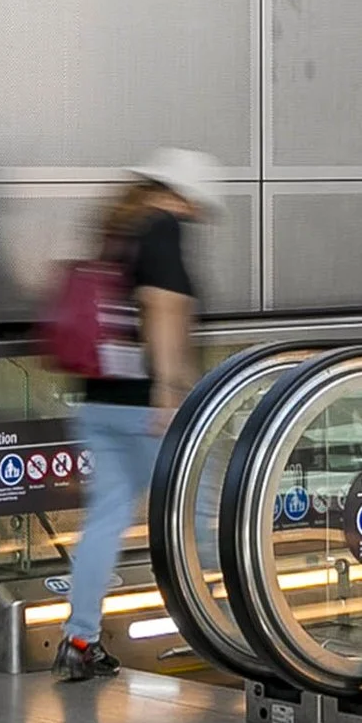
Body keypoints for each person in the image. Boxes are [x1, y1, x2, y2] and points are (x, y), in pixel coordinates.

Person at [58, 150, 217, 682]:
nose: (195, 215)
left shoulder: (116, 228)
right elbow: (162, 305)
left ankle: (80, 639)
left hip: (97, 400)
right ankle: (229, 631)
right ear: (181, 194)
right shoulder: (161, 226)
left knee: (106, 519)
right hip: (145, 406)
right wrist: (169, 390)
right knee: (199, 510)